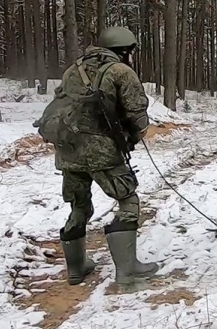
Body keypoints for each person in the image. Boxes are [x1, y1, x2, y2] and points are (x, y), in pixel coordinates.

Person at [37, 26, 159, 286]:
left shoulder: (74, 69)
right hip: (102, 153)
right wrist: (134, 137)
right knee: (128, 201)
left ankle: (76, 269)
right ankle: (127, 272)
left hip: (68, 150)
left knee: (79, 206)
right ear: (124, 50)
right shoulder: (121, 72)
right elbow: (137, 113)